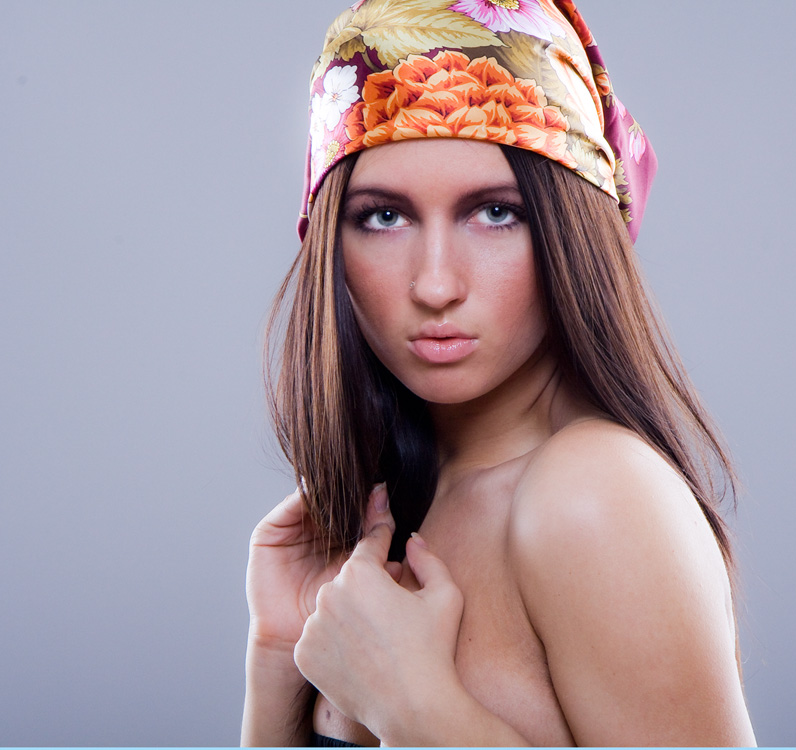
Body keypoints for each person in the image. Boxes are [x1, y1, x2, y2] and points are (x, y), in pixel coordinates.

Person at [242, 0, 756, 745]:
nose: (435, 285)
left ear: (571, 231)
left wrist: (415, 707)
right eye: (384, 217)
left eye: (494, 213)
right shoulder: (397, 505)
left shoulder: (593, 494)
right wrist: (277, 652)